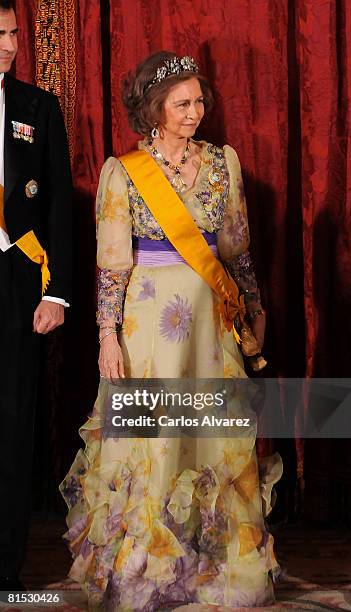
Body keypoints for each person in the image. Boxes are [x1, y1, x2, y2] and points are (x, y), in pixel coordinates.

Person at [61, 51, 281, 610]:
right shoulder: (123, 172)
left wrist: (254, 307)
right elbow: (112, 265)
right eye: (182, 104)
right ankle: (147, 569)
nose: (195, 112)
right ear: (153, 109)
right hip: (150, 324)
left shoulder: (222, 163)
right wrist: (106, 335)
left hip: (211, 320)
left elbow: (237, 250)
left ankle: (215, 564)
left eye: (199, 101)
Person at [0, 0, 72, 591]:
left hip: (17, 279)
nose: (8, 46)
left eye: (13, 34)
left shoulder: (37, 107)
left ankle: (5, 565)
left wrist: (59, 295)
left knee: (12, 419)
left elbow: (56, 206)